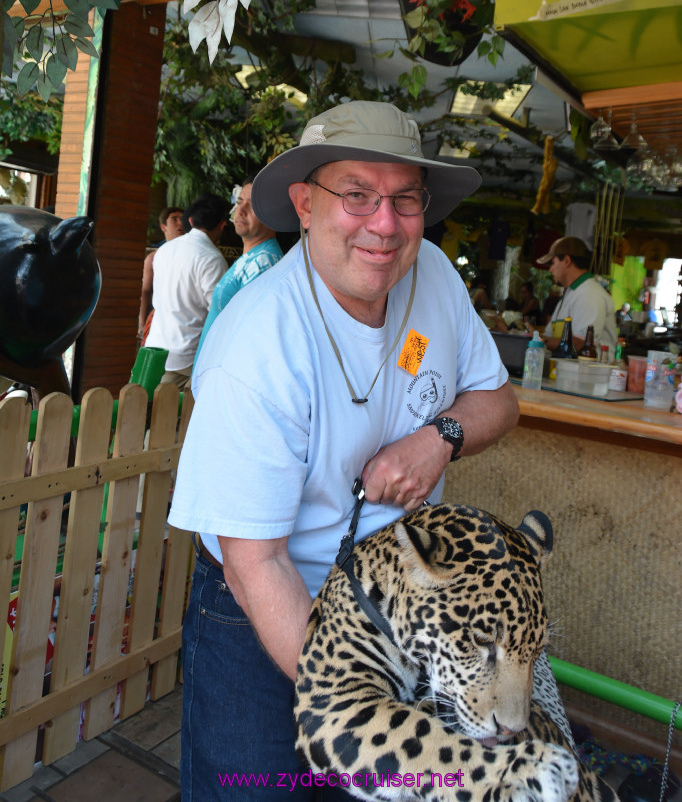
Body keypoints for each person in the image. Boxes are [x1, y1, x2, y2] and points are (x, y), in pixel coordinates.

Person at [168, 102, 521, 801]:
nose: (384, 224)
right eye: (356, 194)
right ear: (304, 204)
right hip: (261, 603)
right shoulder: (258, 347)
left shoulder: (437, 280)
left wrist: (437, 439)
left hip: (395, 600)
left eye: (405, 199)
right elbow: (254, 562)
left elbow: (499, 401)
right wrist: (368, 716)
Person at [144, 193, 228, 388]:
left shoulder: (164, 250)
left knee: (143, 411)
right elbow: (219, 313)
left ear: (190, 220)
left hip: (153, 348)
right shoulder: (212, 259)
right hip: (185, 360)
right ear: (222, 225)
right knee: (171, 415)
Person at [195, 178, 283, 360]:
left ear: (272, 214)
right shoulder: (252, 257)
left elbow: (252, 342)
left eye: (252, 205)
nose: (240, 211)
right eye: (240, 202)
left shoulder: (263, 263)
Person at [534, 236, 617, 353]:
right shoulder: (571, 292)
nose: (550, 269)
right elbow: (550, 336)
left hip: (590, 370)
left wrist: (538, 341)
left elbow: (580, 343)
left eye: (552, 263)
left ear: (567, 261)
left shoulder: (589, 294)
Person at [137, 205, 184, 342]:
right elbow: (145, 291)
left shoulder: (192, 255)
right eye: (174, 219)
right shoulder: (154, 257)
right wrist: (141, 324)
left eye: (182, 219)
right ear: (163, 226)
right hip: (158, 320)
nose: (180, 223)